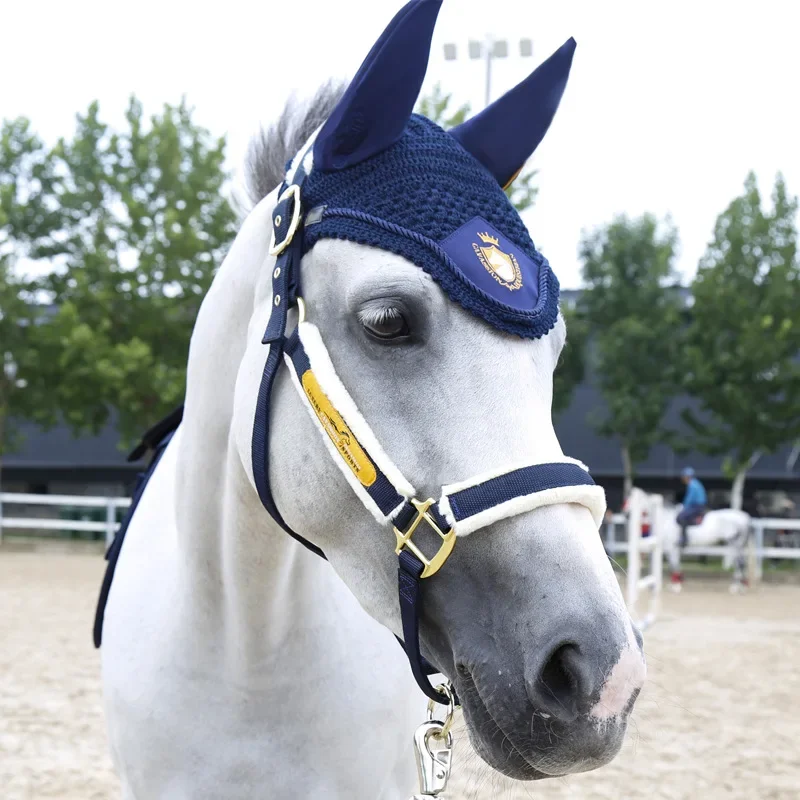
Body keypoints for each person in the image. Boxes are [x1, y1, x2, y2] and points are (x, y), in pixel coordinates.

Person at [677, 467, 707, 547]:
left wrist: (684, 506)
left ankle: (684, 539)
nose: (683, 479)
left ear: (687, 477)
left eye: (683, 477)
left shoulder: (692, 484)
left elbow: (689, 498)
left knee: (680, 517)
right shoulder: (696, 483)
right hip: (699, 506)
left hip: (696, 506)